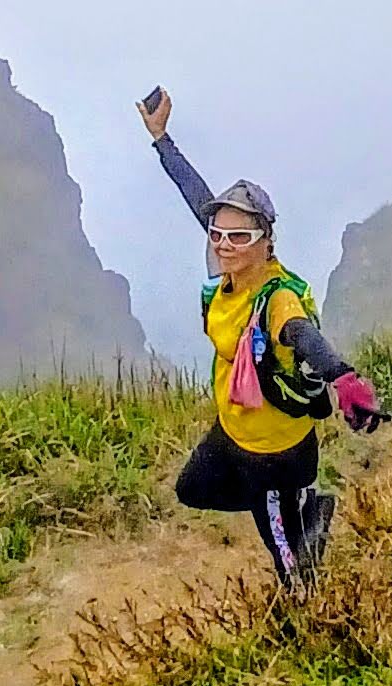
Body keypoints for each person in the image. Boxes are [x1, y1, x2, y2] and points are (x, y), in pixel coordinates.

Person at [137, 88, 379, 586]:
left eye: (239, 237)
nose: (224, 245)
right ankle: (304, 506)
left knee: (293, 570)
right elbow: (198, 200)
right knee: (193, 489)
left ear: (266, 240)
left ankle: (303, 565)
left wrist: (343, 378)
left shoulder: (276, 295)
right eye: (218, 235)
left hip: (272, 452)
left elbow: (301, 334)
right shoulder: (228, 269)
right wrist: (162, 140)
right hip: (234, 431)